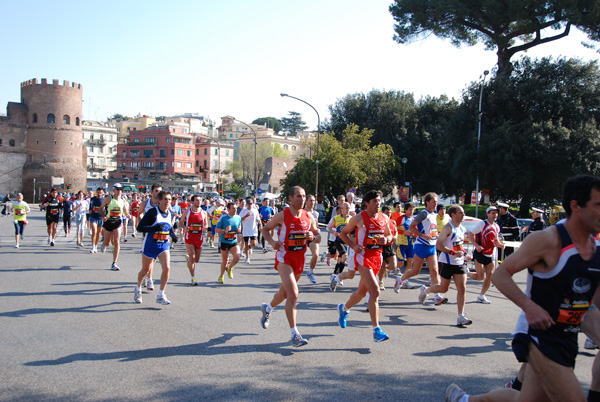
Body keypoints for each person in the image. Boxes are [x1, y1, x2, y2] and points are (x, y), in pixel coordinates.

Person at [446, 174, 600, 402]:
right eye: (598, 205)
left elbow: (591, 303)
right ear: (576, 206)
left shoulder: (595, 249)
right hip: (539, 336)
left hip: (567, 337)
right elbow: (501, 275)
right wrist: (530, 307)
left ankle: (464, 400)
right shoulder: (548, 240)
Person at [259, 186, 321, 347]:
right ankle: (295, 334)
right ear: (290, 199)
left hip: (299, 259)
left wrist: (313, 236)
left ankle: (268, 308)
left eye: (304, 197)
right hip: (284, 259)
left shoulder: (309, 217)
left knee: (284, 293)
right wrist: (272, 242)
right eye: (298, 197)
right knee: (293, 293)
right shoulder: (282, 216)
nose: (302, 200)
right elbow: (265, 229)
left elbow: (319, 237)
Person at [337, 190, 392, 342]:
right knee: (375, 291)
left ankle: (344, 308)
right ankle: (377, 330)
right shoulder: (358, 218)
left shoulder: (384, 218)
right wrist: (354, 246)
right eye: (374, 201)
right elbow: (343, 234)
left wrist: (386, 240)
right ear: (367, 203)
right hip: (363, 257)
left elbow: (390, 235)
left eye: (379, 201)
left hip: (377, 258)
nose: (378, 204)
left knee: (361, 292)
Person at [418, 205, 472, 325]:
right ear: (453, 214)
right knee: (444, 288)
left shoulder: (462, 228)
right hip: (446, 261)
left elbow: (459, 245)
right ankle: (426, 290)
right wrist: (452, 252)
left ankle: (460, 316)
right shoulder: (448, 228)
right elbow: (439, 245)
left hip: (459, 263)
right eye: (460, 212)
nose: (463, 215)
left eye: (463, 212)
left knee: (462, 289)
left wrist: (465, 253)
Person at [397, 192, 447, 305]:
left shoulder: (434, 215)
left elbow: (432, 229)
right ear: (427, 202)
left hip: (432, 246)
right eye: (434, 202)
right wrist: (422, 235)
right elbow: (411, 227)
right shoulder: (423, 214)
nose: (436, 204)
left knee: (434, 271)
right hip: (421, 245)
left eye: (436, 202)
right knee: (416, 271)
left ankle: (437, 296)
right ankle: (400, 279)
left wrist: (436, 235)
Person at [134, 190, 178, 305]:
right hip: (150, 244)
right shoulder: (152, 213)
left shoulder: (171, 213)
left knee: (167, 268)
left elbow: (169, 226)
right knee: (145, 270)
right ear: (159, 200)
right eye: (165, 199)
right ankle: (138, 289)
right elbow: (140, 227)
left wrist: (173, 235)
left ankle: (161, 294)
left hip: (163, 245)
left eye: (169, 199)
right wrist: (155, 228)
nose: (167, 202)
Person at [467, 206, 505, 304]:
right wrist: (477, 245)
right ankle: (466, 273)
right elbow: (470, 235)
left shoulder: (497, 226)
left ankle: (482, 295)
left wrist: (500, 245)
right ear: (488, 214)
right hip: (480, 253)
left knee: (491, 276)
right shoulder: (482, 224)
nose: (495, 215)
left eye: (496, 213)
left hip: (490, 254)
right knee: (480, 277)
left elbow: (495, 239)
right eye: (492, 213)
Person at [99, 183, 130, 271]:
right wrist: (103, 216)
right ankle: (104, 244)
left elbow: (124, 209)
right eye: (118, 189)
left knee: (117, 242)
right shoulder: (109, 199)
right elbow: (100, 208)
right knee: (107, 242)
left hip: (117, 222)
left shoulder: (123, 199)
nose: (120, 191)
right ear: (114, 190)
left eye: (121, 189)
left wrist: (127, 214)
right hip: (108, 221)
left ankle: (114, 263)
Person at [138, 183, 162, 290]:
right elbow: (139, 213)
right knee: (149, 258)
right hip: (148, 233)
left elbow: (171, 214)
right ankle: (148, 277)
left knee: (153, 258)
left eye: (160, 191)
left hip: (159, 233)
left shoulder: (162, 203)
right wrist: (142, 224)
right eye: (156, 191)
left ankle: (149, 278)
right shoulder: (145, 203)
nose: (158, 193)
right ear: (151, 192)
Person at [184, 194, 209, 285]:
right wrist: (184, 227)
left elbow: (206, 224)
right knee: (193, 257)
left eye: (200, 200)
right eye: (197, 200)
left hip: (199, 238)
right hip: (189, 237)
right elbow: (181, 222)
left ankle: (189, 260)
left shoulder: (203, 213)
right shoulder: (187, 211)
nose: (199, 202)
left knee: (196, 260)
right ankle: (193, 277)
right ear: (192, 202)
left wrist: (204, 229)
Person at [215, 202, 242, 284]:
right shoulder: (223, 218)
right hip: (224, 241)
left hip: (233, 241)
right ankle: (221, 275)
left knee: (237, 257)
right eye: (233, 208)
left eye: (236, 208)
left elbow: (239, 226)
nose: (235, 210)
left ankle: (229, 268)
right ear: (228, 209)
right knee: (225, 260)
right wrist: (224, 230)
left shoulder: (238, 217)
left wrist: (239, 230)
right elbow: (216, 229)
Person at [394, 202, 417, 291]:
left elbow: (416, 230)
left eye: (413, 210)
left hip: (410, 244)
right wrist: (403, 232)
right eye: (410, 209)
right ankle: (385, 269)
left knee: (410, 262)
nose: (411, 211)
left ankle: (406, 281)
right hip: (401, 244)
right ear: (406, 210)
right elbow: (393, 228)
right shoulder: (401, 218)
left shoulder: (413, 219)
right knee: (401, 263)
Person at [328, 202, 350, 290]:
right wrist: (334, 232)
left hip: (347, 241)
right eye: (346, 208)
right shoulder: (336, 218)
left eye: (349, 208)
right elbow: (329, 228)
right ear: (342, 209)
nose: (348, 210)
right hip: (338, 241)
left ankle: (335, 274)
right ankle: (339, 276)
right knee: (345, 256)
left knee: (341, 259)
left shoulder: (351, 219)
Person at [377, 205, 398, 290]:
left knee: (393, 266)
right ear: (383, 213)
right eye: (387, 213)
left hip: (389, 246)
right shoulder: (380, 221)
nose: (388, 214)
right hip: (381, 246)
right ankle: (380, 281)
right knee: (382, 265)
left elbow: (395, 231)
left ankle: (382, 270)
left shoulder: (393, 222)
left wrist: (395, 236)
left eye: (390, 213)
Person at [304, 194, 320, 284]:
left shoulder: (316, 213)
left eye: (314, 200)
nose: (312, 202)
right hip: (302, 236)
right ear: (306, 202)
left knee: (316, 255)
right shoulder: (302, 212)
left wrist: (317, 230)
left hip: (312, 236)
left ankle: (310, 272)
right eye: (310, 200)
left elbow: (316, 225)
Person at [240, 198, 260, 264]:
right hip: (246, 229)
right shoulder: (243, 211)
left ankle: (250, 247)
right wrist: (245, 216)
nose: (250, 205)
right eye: (249, 204)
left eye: (251, 204)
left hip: (253, 229)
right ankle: (247, 258)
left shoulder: (255, 210)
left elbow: (258, 219)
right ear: (247, 204)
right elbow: (240, 219)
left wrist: (261, 225)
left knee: (254, 244)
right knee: (246, 244)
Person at [88, 187, 105, 253]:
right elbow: (91, 205)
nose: (99, 194)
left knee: (99, 232)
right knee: (94, 231)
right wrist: (90, 210)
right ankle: (93, 246)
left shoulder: (103, 200)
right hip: (93, 217)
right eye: (98, 192)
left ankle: (96, 246)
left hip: (100, 217)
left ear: (102, 193)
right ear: (96, 192)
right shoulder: (93, 199)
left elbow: (105, 209)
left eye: (100, 193)